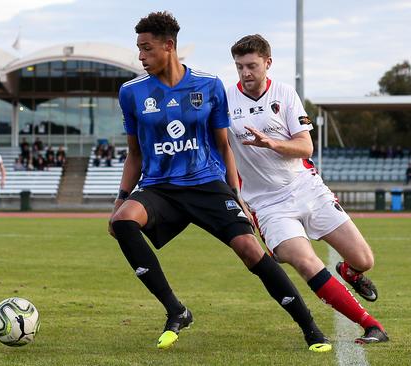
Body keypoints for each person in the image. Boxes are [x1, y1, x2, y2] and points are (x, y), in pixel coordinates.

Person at [109, 12, 330, 352]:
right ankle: (176, 310)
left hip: (207, 183)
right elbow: (134, 153)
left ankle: (310, 328)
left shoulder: (208, 86)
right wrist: (121, 198)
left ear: (169, 47)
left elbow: (224, 145)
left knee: (249, 250)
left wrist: (235, 192)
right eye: (139, 49)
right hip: (160, 187)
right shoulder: (132, 93)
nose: (140, 56)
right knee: (123, 221)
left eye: (146, 48)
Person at [226, 34, 388, 344]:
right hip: (268, 204)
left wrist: (271, 143)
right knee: (304, 260)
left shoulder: (285, 94)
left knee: (364, 259)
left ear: (267, 63)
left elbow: (305, 146)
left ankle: (350, 272)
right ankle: (371, 326)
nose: (245, 74)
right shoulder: (226, 101)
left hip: (307, 188)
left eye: (252, 66)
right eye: (239, 67)